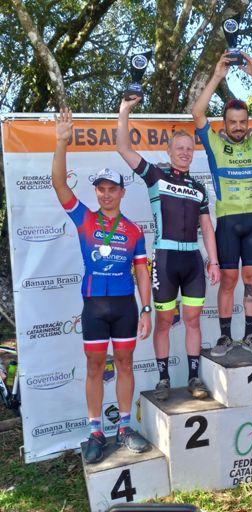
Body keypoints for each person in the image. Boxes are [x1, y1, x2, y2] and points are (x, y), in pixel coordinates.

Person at [52, 108, 152, 464]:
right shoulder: (85, 219)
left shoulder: (134, 231)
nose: (106, 195)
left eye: (112, 189)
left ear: (122, 192)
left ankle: (124, 427)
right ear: (96, 191)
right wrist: (61, 142)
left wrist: (146, 309)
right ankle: (95, 430)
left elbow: (142, 272)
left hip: (125, 306)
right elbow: (60, 185)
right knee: (95, 367)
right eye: (101, 189)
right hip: (94, 306)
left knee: (125, 364)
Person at [117, 97, 220, 401]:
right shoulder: (156, 176)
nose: (185, 153)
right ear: (169, 151)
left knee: (193, 321)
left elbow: (207, 228)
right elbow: (123, 148)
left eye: (189, 149)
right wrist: (124, 111)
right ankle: (163, 379)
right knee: (164, 321)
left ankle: (193, 378)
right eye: (180, 148)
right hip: (164, 259)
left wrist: (214, 261)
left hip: (192, 260)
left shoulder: (199, 189)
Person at [192, 51, 252, 357]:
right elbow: (197, 112)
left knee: (251, 280)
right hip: (228, 223)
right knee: (229, 280)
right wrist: (218, 75)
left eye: (243, 122)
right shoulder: (215, 145)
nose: (239, 127)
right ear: (225, 124)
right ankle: (225, 337)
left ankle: (251, 336)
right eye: (233, 122)